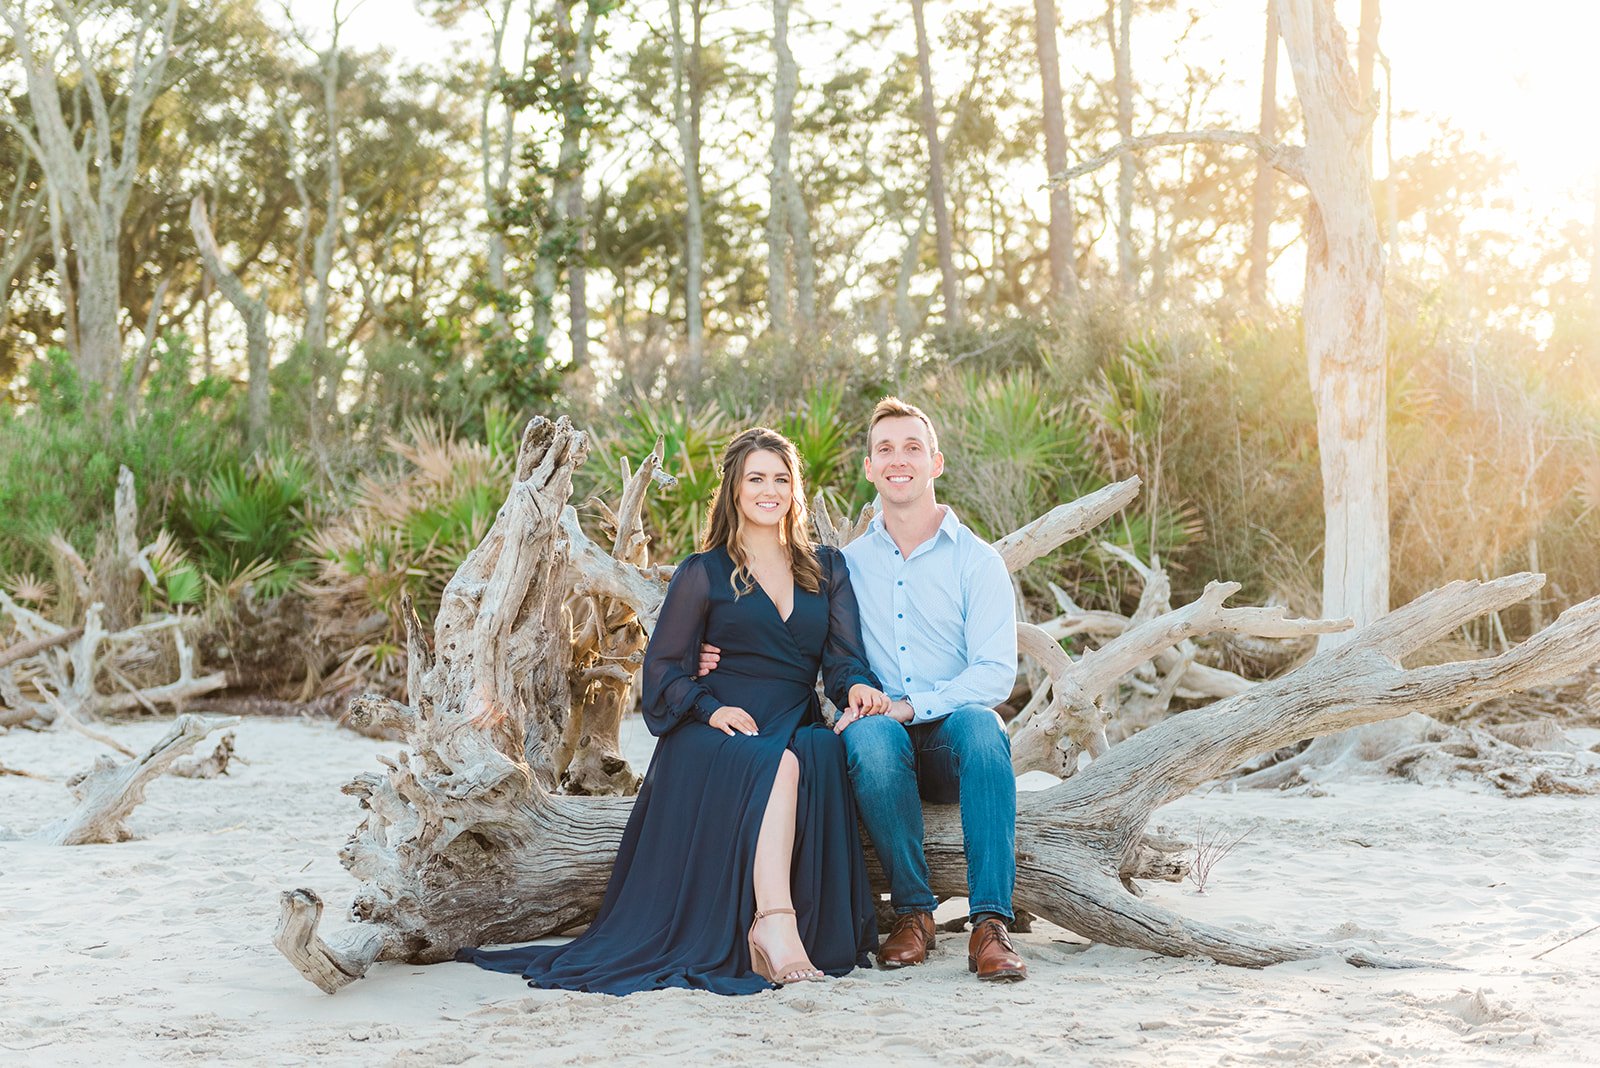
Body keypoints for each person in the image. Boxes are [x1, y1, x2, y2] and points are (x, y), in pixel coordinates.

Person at [456, 427, 888, 994]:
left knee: (820, 749)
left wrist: (858, 688)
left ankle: (795, 924)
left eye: (781, 479)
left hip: (792, 715)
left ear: (795, 489)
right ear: (734, 489)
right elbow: (662, 675)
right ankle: (773, 926)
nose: (769, 490)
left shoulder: (825, 569)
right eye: (756, 478)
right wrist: (710, 710)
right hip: (714, 730)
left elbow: (843, 660)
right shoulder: (703, 572)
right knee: (779, 763)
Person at [701, 398, 1026, 982]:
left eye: (912, 448)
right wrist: (712, 656)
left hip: (952, 741)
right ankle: (914, 914)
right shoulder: (841, 566)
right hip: (879, 748)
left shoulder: (978, 562)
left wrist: (910, 706)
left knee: (984, 723)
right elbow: (800, 644)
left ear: (936, 462)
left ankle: (989, 925)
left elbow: (996, 673)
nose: (898, 460)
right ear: (869, 469)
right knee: (873, 737)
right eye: (885, 450)